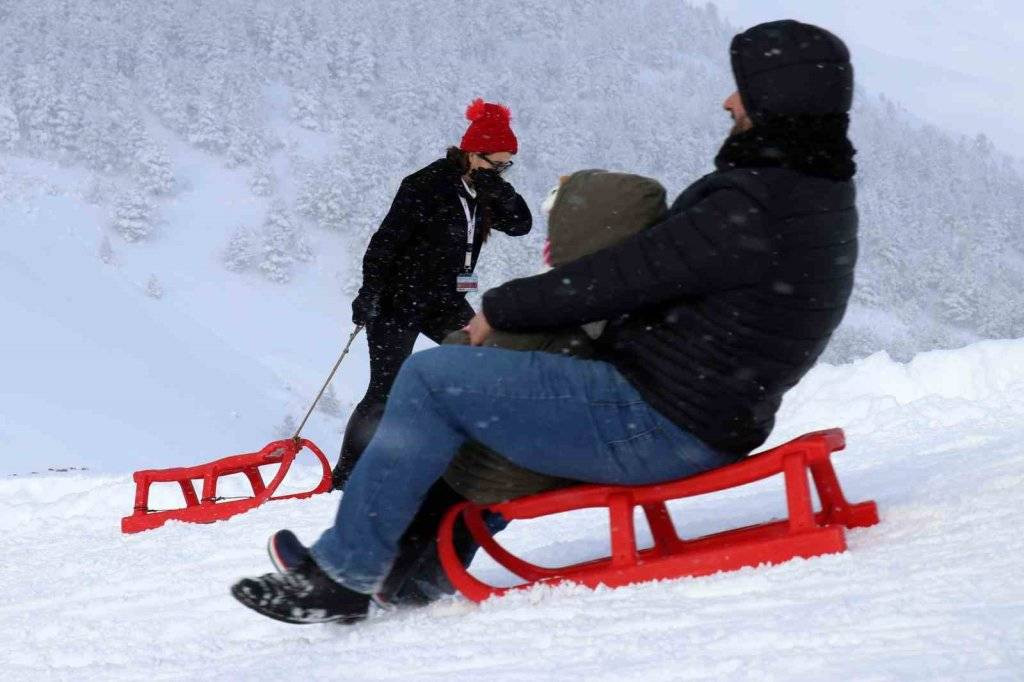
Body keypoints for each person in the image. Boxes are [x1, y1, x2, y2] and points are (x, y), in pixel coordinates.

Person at [231, 18, 859, 624]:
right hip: (698, 412)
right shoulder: (810, 196)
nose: (728, 100)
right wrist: (379, 291)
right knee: (492, 387)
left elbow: (620, 275)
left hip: (659, 422)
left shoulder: (753, 204)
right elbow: (391, 241)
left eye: (742, 89)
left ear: (778, 98)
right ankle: (416, 563)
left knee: (432, 381)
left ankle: (342, 574)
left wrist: (500, 310)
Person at [332, 98, 532, 490]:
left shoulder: (485, 187)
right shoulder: (426, 185)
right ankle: (344, 479)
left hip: (443, 299)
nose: (503, 170)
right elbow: (385, 243)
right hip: (399, 299)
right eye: (497, 162)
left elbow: (521, 224)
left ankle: (461, 464)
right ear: (473, 154)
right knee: (385, 391)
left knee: (483, 363)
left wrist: (498, 189)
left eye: (508, 163)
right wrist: (369, 293)